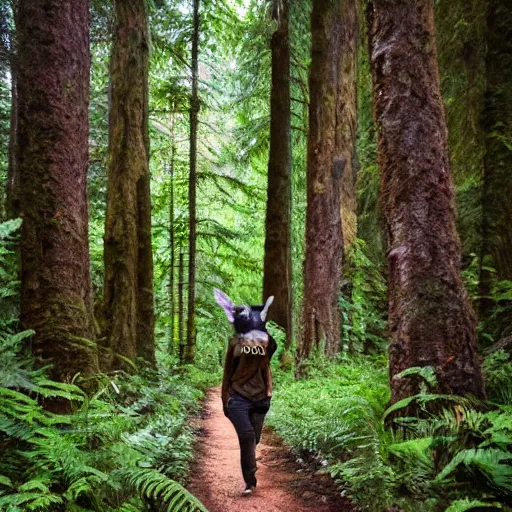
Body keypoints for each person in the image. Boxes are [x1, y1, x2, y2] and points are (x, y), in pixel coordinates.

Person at [213, 289, 277, 496]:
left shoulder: (267, 343)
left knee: (253, 439)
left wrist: (260, 324)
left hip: (260, 399)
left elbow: (269, 346)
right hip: (238, 398)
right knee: (248, 436)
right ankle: (250, 481)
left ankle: (249, 471)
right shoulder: (236, 344)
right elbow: (227, 373)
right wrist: (225, 400)